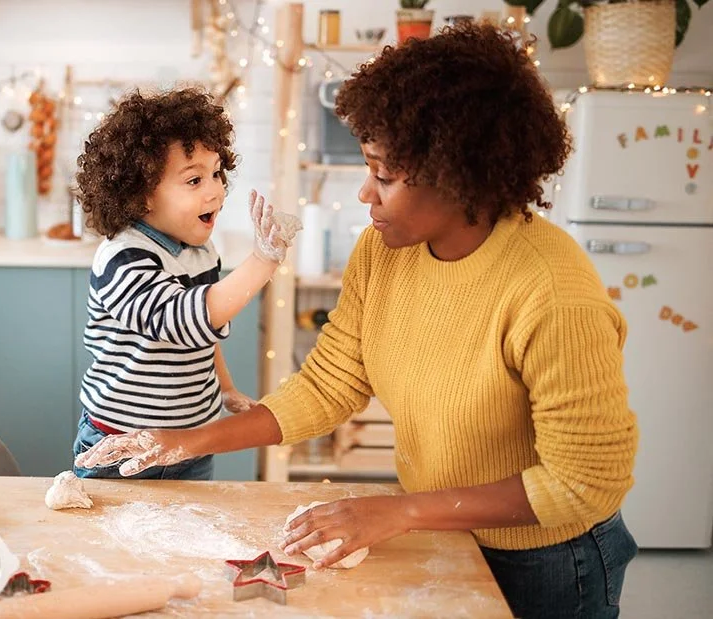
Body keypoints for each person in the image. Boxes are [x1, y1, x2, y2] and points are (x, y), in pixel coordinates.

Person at [76, 24, 639, 619]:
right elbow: (329, 385)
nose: (365, 192)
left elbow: (584, 483)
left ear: (461, 175)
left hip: (550, 557)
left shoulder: (551, 294)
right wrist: (183, 443)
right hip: (444, 526)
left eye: (385, 175)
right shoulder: (383, 252)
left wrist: (402, 510)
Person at [71, 88, 299, 481]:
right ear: (143, 194)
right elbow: (180, 319)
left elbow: (201, 337)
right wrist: (263, 261)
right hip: (120, 447)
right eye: (194, 180)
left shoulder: (201, 253)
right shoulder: (123, 258)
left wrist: (224, 388)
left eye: (216, 174)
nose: (215, 190)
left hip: (189, 445)